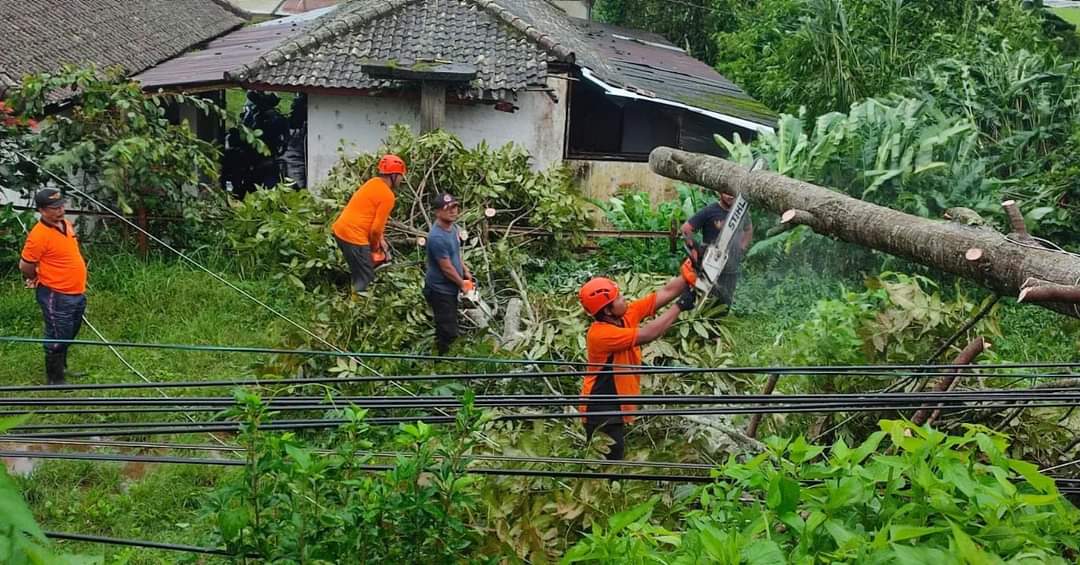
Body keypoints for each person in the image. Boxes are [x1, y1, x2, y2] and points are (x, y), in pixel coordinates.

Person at [577, 267, 697, 460]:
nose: (624, 299)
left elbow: (664, 293)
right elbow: (648, 334)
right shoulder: (600, 335)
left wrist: (691, 269)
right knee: (610, 463)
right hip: (600, 407)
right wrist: (680, 306)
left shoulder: (625, 316)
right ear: (607, 310)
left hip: (615, 402)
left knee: (615, 456)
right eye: (618, 298)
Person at [18, 188, 88, 386]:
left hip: (76, 290)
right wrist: (33, 277)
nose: (60, 210)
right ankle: (55, 379)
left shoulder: (65, 224)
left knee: (70, 331)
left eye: (61, 206)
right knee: (58, 334)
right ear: (41, 210)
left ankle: (62, 367)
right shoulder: (38, 235)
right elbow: (25, 265)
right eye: (54, 208)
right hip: (55, 294)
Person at [331, 154, 406, 293]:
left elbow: (373, 220)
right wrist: (374, 248)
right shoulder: (388, 196)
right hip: (354, 237)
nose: (401, 179)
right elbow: (375, 231)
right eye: (401, 176)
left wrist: (382, 241)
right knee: (365, 278)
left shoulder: (373, 182)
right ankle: (354, 308)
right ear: (394, 175)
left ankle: (346, 291)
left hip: (340, 230)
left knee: (358, 270)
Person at [680, 191, 753, 307]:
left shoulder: (741, 213)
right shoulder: (710, 210)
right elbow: (686, 229)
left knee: (726, 301)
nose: (730, 195)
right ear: (719, 193)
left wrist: (742, 247)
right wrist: (693, 249)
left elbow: (748, 230)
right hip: (711, 264)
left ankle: (721, 320)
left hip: (731, 266)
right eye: (726, 192)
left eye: (732, 192)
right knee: (708, 299)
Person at [424, 192, 473, 355]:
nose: (453, 211)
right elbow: (446, 268)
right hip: (440, 290)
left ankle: (446, 355)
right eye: (448, 209)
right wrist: (462, 285)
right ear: (438, 212)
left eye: (455, 207)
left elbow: (455, 254)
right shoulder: (437, 237)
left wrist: (465, 270)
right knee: (448, 331)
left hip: (450, 288)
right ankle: (444, 363)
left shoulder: (453, 229)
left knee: (450, 324)